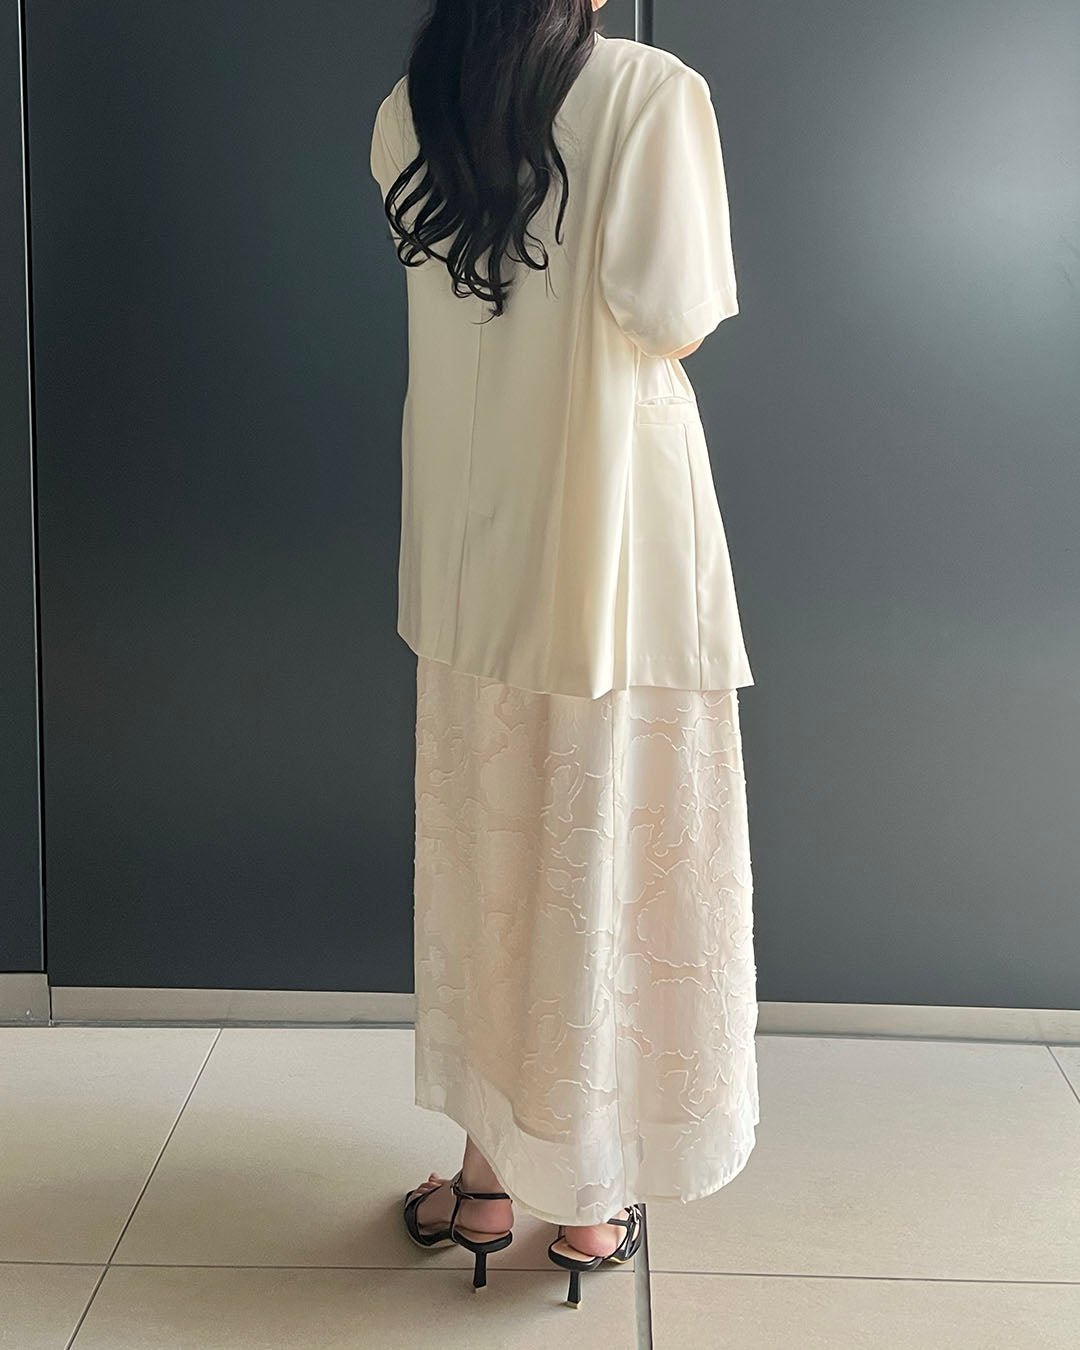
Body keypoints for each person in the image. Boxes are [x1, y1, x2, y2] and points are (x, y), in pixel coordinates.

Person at [370, 0, 758, 1308]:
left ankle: (485, 1176)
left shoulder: (412, 109)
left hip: (469, 544)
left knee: (489, 856)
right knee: (603, 853)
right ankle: (590, 1200)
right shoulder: (648, 93)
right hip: (610, 541)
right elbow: (675, 312)